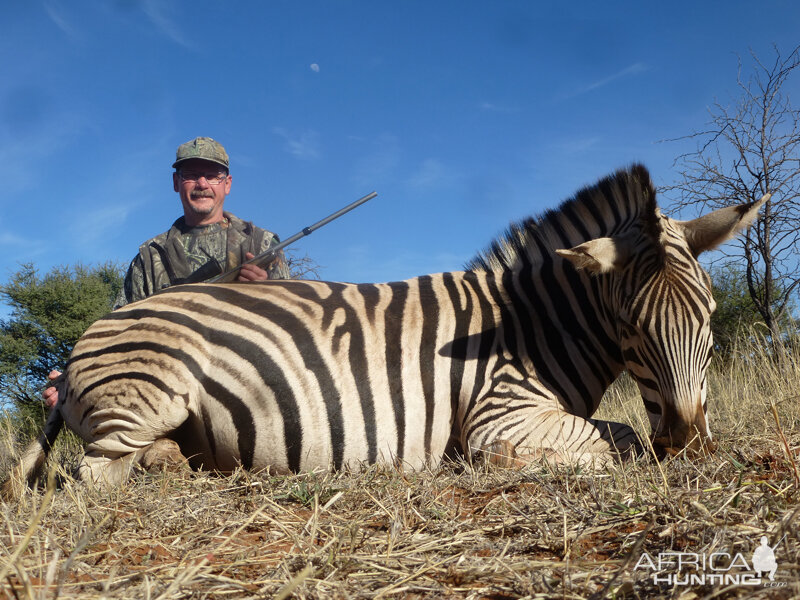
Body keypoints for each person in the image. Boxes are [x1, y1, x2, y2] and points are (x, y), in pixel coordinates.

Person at [44, 136, 290, 408]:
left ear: (227, 184)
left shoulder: (263, 244)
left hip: (249, 395)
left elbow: (293, 330)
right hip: (168, 395)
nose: (202, 184)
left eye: (212, 176)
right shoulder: (150, 256)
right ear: (176, 183)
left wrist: (267, 293)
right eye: (192, 175)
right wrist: (72, 380)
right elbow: (119, 332)